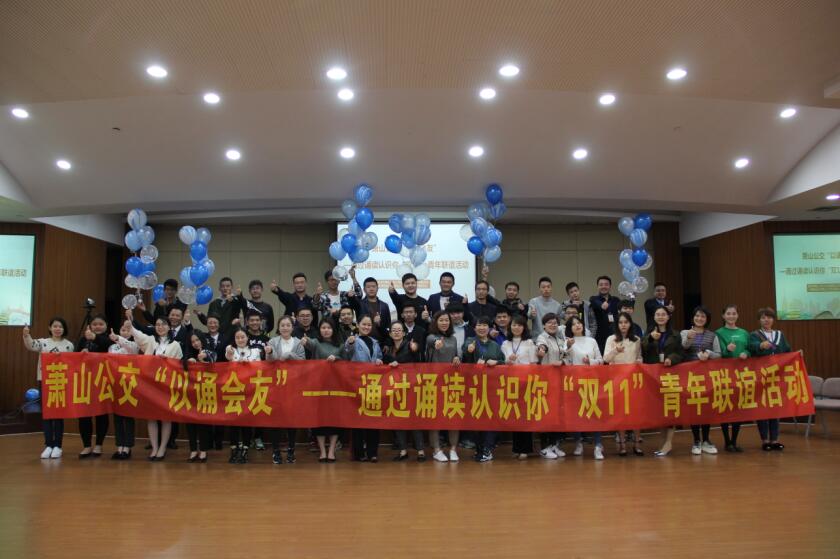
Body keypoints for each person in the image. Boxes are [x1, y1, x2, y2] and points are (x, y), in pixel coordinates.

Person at [129, 316, 183, 461]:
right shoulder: (151, 341)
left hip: (166, 386)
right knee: (151, 417)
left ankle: (162, 447)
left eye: (163, 324)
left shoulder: (175, 345)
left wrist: (168, 361)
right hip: (150, 385)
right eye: (158, 324)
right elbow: (137, 335)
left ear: (169, 327)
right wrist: (130, 322)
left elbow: (179, 366)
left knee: (166, 418)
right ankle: (154, 447)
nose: (160, 327)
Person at [23, 318, 74, 459]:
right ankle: (48, 445)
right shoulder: (43, 342)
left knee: (58, 415)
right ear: (50, 328)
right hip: (45, 382)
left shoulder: (69, 345)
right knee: (47, 415)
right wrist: (26, 335)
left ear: (64, 329)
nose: (58, 329)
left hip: (61, 383)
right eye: (55, 326)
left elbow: (72, 363)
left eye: (60, 326)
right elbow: (31, 345)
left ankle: (58, 446)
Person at [641, 307, 685, 457]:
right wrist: (651, 338)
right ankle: (663, 441)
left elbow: (680, 353)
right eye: (658, 314)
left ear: (668, 317)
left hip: (670, 374)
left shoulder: (675, 334)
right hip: (654, 375)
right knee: (660, 409)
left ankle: (669, 442)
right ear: (654, 317)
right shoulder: (648, 333)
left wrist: (671, 359)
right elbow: (643, 349)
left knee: (670, 407)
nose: (660, 317)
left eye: (663, 314)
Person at [461, 316, 505, 462]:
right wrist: (469, 349)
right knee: (476, 418)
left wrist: (496, 362)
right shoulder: (470, 340)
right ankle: (479, 448)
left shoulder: (495, 345)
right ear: (474, 328)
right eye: (479, 325)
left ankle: (487, 448)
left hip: (491, 387)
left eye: (485, 325)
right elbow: (466, 350)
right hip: (473, 387)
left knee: (491, 417)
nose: (481, 328)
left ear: (489, 328)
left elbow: (503, 361)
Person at [749, 307, 791, 451]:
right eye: (763, 317)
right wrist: (760, 345)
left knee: (775, 407)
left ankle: (775, 439)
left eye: (769, 317)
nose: (766, 320)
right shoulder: (754, 335)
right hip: (761, 377)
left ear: (773, 319)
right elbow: (751, 348)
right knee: (762, 407)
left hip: (777, 377)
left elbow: (787, 351)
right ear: (759, 320)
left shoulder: (780, 335)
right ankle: (765, 440)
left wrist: (797, 354)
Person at [681, 306, 721, 455]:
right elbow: (683, 348)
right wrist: (689, 338)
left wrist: (709, 354)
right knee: (694, 407)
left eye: (703, 316)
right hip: (690, 377)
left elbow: (719, 354)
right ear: (693, 317)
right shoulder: (685, 332)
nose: (699, 319)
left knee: (706, 408)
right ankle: (696, 440)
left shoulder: (712, 335)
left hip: (707, 376)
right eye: (697, 316)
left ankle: (706, 440)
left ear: (707, 319)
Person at [382, 322, 425, 462]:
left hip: (411, 387)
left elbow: (416, 355)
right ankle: (403, 451)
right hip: (395, 389)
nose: (396, 332)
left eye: (399, 330)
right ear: (390, 333)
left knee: (414, 419)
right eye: (394, 330)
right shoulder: (387, 349)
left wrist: (415, 349)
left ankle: (420, 451)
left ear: (404, 333)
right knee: (398, 419)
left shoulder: (410, 345)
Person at [564, 316, 605, 459]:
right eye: (574, 324)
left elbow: (601, 360)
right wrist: (568, 346)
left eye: (579, 323)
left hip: (592, 381)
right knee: (576, 413)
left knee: (594, 412)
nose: (577, 325)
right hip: (575, 382)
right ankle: (578, 442)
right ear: (570, 328)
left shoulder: (591, 340)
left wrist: (590, 361)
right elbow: (564, 359)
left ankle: (598, 445)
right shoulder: (568, 341)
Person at [344, 316, 384, 462]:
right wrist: (349, 343)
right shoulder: (353, 340)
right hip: (357, 384)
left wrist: (380, 360)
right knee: (358, 419)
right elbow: (347, 352)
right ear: (358, 325)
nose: (366, 327)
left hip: (373, 385)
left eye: (369, 325)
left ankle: (373, 452)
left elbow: (379, 357)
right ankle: (359, 453)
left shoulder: (375, 342)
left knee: (373, 419)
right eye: (364, 324)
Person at [267, 315, 306, 464]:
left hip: (293, 386)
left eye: (288, 325)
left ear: (292, 327)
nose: (285, 328)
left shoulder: (298, 342)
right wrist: (270, 352)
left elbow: (303, 362)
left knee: (291, 419)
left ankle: (291, 449)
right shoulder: (273, 341)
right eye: (282, 325)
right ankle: (276, 450)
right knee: (276, 419)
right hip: (276, 386)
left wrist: (290, 355)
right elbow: (269, 362)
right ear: (278, 327)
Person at [604, 312, 643, 456]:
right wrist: (616, 350)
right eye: (620, 322)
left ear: (630, 324)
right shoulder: (611, 339)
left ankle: (637, 443)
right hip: (617, 380)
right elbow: (605, 359)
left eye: (626, 322)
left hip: (633, 379)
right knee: (621, 411)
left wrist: (639, 361)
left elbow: (639, 357)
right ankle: (622, 444)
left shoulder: (636, 339)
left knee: (635, 412)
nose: (623, 325)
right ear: (617, 324)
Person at [225, 327, 266, 463]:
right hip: (234, 390)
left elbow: (260, 368)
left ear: (247, 338)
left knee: (247, 421)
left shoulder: (255, 351)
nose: (240, 340)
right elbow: (227, 361)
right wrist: (232, 358)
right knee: (233, 421)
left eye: (243, 337)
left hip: (249, 391)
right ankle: (234, 448)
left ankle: (245, 449)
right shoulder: (230, 349)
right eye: (237, 337)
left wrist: (249, 366)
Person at [425, 311, 462, 462]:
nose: (444, 323)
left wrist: (457, 358)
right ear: (436, 322)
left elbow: (455, 355)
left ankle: (453, 449)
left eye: (447, 320)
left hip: (452, 382)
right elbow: (432, 343)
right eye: (441, 320)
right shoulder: (431, 337)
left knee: (453, 416)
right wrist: (436, 344)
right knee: (436, 418)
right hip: (434, 383)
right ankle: (436, 450)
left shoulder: (453, 338)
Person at [306, 318, 344, 462]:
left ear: (333, 329)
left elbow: (346, 360)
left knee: (334, 420)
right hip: (318, 387)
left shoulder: (340, 345)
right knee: (319, 420)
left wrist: (337, 358)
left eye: (329, 327)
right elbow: (309, 343)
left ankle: (331, 450)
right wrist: (305, 341)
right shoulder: (316, 343)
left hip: (335, 388)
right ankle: (322, 451)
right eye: (323, 328)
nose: (326, 330)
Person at [501, 315, 539, 459]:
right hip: (511, 383)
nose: (516, 328)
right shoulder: (505, 343)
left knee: (525, 416)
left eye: (519, 325)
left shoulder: (529, 343)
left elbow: (534, 363)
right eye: (514, 325)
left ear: (524, 327)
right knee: (515, 415)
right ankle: (516, 448)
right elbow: (503, 363)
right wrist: (508, 361)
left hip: (526, 383)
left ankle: (526, 449)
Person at [716, 304, 751, 453]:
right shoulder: (718, 333)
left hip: (741, 374)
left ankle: (734, 441)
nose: (731, 316)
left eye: (734, 313)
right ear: (723, 316)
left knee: (738, 407)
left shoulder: (744, 333)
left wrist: (746, 354)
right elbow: (718, 353)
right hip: (725, 374)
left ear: (737, 315)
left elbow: (750, 349)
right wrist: (727, 350)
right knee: (725, 406)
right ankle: (727, 441)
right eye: (728, 313)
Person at [77, 314, 111, 458]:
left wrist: (94, 338)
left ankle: (98, 445)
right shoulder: (83, 339)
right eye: (95, 324)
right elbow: (74, 358)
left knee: (101, 414)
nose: (97, 326)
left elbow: (107, 346)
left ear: (106, 326)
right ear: (90, 326)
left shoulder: (110, 338)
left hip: (102, 381)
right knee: (84, 414)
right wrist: (81, 353)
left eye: (101, 324)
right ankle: (86, 445)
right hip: (85, 382)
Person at [535, 313, 567, 458]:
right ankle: (544, 447)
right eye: (549, 323)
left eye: (555, 323)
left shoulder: (560, 339)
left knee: (556, 413)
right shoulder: (542, 337)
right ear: (544, 325)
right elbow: (542, 347)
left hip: (558, 381)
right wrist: (542, 350)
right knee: (545, 413)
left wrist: (563, 360)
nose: (553, 325)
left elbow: (565, 356)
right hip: (545, 381)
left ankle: (554, 445)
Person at [107, 320, 140, 460]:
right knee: (118, 416)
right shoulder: (112, 347)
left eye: (127, 330)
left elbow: (131, 349)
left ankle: (128, 446)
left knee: (128, 416)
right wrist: (117, 340)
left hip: (129, 384)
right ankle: (119, 445)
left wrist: (118, 338)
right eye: (122, 330)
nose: (124, 332)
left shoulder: (135, 344)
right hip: (116, 383)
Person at [184, 332, 214, 462]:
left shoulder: (209, 350)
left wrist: (204, 358)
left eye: (197, 340)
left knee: (203, 423)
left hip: (205, 392)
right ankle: (192, 450)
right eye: (193, 342)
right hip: (190, 393)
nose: (196, 343)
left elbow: (214, 361)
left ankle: (203, 450)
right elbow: (181, 367)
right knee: (190, 423)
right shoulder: (188, 354)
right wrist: (188, 362)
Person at [348, 275, 391, 342]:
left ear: (377, 288)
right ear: (364, 290)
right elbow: (352, 302)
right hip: (363, 341)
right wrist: (350, 297)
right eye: (368, 287)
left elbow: (388, 326)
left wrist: (387, 343)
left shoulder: (384, 305)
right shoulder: (359, 304)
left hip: (381, 342)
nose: (371, 289)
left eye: (373, 286)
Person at [589, 276, 620, 354]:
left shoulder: (616, 300)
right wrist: (601, 305)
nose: (603, 286)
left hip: (614, 336)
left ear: (610, 286)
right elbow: (594, 302)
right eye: (601, 284)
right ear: (597, 286)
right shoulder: (594, 299)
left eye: (606, 284)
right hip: (599, 338)